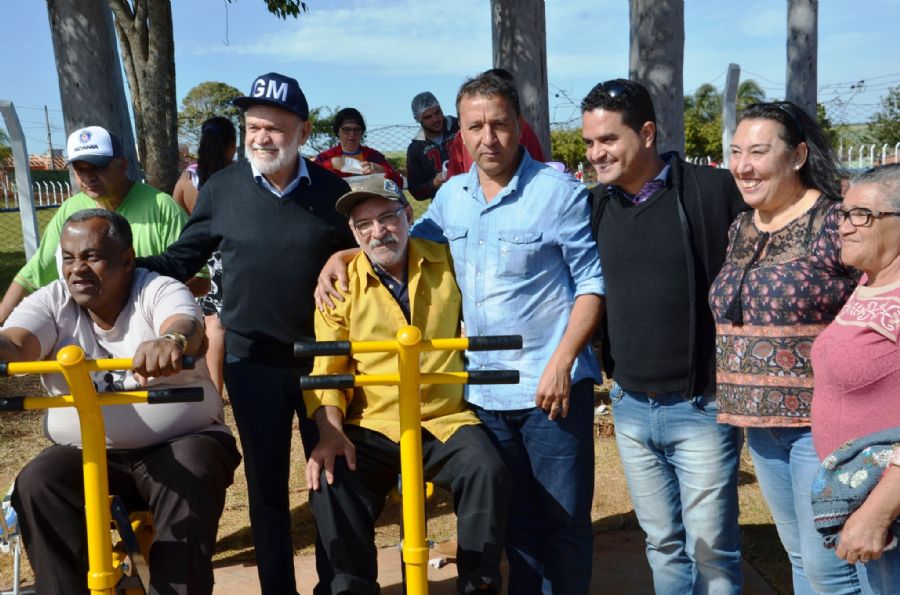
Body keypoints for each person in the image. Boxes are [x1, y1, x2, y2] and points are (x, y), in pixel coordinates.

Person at [318, 72, 604, 594]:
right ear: (461, 133)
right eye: (475, 126)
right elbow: (395, 242)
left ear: (519, 125)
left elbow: (592, 284)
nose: (487, 137)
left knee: (562, 522)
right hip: (487, 396)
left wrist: (564, 361)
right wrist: (341, 255)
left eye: (499, 124)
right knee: (516, 525)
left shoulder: (558, 193)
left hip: (550, 386)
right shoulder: (452, 197)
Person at [136, 72, 357, 594]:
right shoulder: (222, 189)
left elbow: (371, 251)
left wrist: (347, 253)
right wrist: (121, 269)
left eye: (274, 128)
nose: (261, 137)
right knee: (266, 489)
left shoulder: (333, 192)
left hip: (324, 361)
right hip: (251, 362)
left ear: (303, 131)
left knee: (332, 479)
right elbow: (180, 259)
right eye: (253, 127)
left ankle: (339, 586)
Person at [1, 209, 240, 595]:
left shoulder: (157, 289)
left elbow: (186, 325)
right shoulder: (53, 301)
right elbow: (15, 343)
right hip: (87, 451)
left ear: (127, 259)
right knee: (37, 482)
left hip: (179, 441)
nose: (77, 269)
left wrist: (171, 342)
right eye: (68, 258)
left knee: (192, 468)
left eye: (91, 257)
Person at [305, 174, 510, 594]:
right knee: (332, 478)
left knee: (486, 468)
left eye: (387, 217)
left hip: (443, 418)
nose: (378, 232)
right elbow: (326, 371)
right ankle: (352, 588)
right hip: (375, 423)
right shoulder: (340, 287)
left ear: (408, 216)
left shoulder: (446, 262)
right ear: (353, 233)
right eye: (364, 225)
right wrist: (330, 432)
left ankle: (480, 583)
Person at [582, 79, 746, 595]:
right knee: (662, 543)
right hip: (630, 406)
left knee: (712, 551)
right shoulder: (594, 206)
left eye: (608, 139)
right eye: (589, 142)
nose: (595, 153)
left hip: (702, 406)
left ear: (648, 133)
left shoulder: (713, 191)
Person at [709, 100, 860, 593]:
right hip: (760, 426)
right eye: (736, 152)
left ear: (797, 155)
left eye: (758, 152)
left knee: (828, 565)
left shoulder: (835, 221)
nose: (742, 166)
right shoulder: (742, 226)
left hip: (821, 424)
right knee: (797, 553)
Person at [0, 125, 201, 325]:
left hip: (149, 325)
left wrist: (140, 301)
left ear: (122, 165)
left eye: (98, 166)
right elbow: (32, 276)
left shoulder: (161, 207)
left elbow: (200, 279)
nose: (88, 177)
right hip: (85, 331)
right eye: (80, 169)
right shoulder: (70, 209)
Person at [810, 164, 900, 594]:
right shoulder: (870, 280)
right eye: (844, 214)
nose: (844, 227)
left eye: (862, 215)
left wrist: (876, 515)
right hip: (860, 499)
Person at [172, 116, 238, 395]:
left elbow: (177, 211)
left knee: (210, 321)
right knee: (221, 324)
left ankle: (212, 389)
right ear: (232, 146)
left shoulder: (187, 178)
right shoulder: (237, 177)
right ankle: (219, 387)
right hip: (229, 257)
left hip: (200, 258)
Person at [444, 68, 546, 178]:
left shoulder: (525, 130)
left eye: (499, 124)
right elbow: (454, 175)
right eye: (476, 126)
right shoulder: (462, 135)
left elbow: (538, 168)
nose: (488, 140)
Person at [314, 107, 404, 188]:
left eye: (356, 129)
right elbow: (313, 182)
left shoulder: (374, 156)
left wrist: (383, 171)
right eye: (346, 130)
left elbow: (399, 183)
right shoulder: (325, 157)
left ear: (362, 132)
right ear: (338, 131)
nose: (352, 134)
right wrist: (331, 164)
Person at [405, 92, 459, 201]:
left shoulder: (459, 125)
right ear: (418, 119)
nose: (435, 119)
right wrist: (435, 182)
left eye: (437, 112)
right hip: (445, 203)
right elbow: (415, 190)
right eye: (428, 117)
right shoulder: (416, 149)